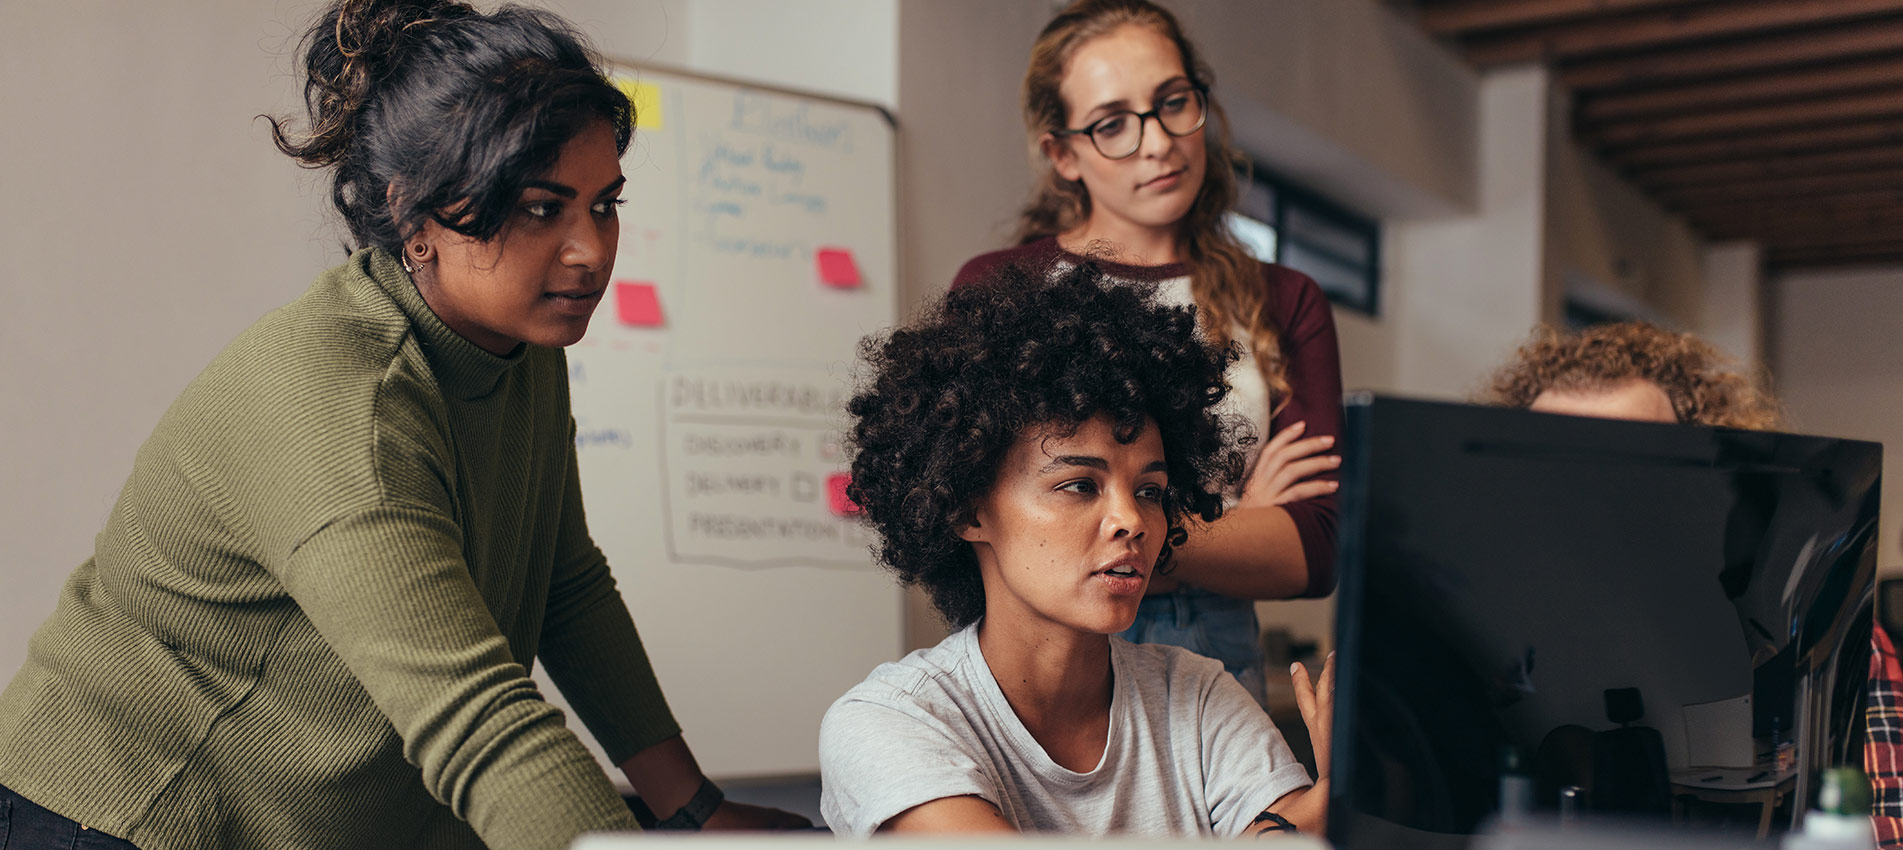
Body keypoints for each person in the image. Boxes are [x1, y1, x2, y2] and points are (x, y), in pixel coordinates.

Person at [0, 2, 805, 847]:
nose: (590, 251)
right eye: (540, 209)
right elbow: (476, 720)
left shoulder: (519, 347)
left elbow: (564, 585)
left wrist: (695, 811)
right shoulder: (345, 404)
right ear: (414, 215)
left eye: (603, 205)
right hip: (126, 815)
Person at [820, 262, 1334, 837]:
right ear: (967, 507)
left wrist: (1322, 808)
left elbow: (1284, 828)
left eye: (1150, 491)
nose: (1132, 521)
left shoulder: (1196, 692)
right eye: (1079, 485)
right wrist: (1295, 826)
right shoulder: (890, 720)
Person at [951, 0, 1344, 704]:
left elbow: (1315, 553)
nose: (1157, 142)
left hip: (1216, 657)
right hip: (1034, 657)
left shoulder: (1283, 299)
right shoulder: (1000, 288)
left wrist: (1079, 535)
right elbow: (966, 523)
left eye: (1172, 103)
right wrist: (1235, 524)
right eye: (1111, 125)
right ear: (1062, 153)